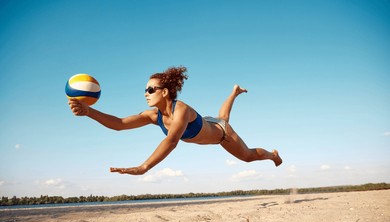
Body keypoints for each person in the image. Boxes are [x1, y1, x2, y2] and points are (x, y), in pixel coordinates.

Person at [68, 66, 282, 175]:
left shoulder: (181, 109)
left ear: (165, 92)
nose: (146, 93)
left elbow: (171, 141)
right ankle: (234, 92)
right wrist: (89, 112)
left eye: (151, 89)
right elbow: (120, 124)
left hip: (222, 134)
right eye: (145, 89)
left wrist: (144, 167)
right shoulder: (154, 115)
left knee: (247, 155)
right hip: (207, 123)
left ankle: (273, 155)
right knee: (221, 116)